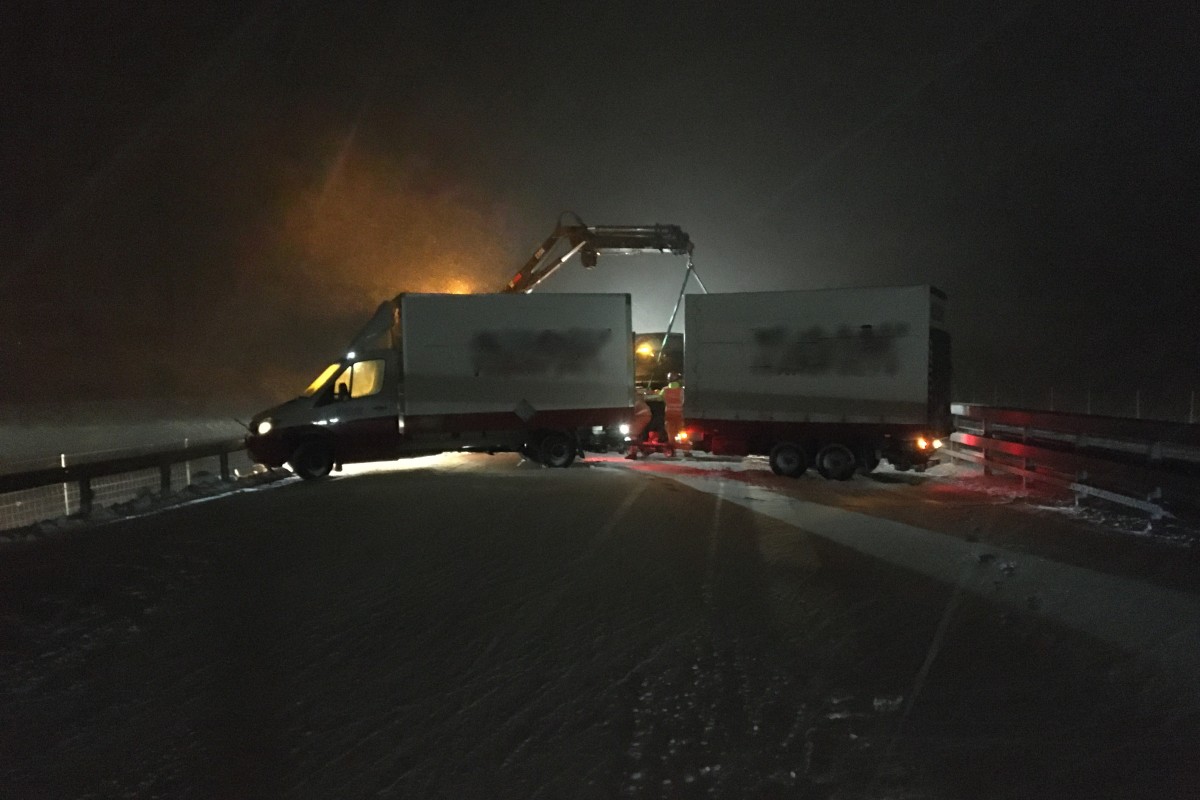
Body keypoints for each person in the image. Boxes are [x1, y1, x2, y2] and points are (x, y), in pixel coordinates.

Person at [658, 372, 685, 451]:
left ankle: (672, 449)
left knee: (670, 432)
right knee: (682, 431)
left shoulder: (664, 390)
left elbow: (659, 398)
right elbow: (684, 400)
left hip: (669, 414)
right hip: (679, 414)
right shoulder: (681, 390)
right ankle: (685, 450)